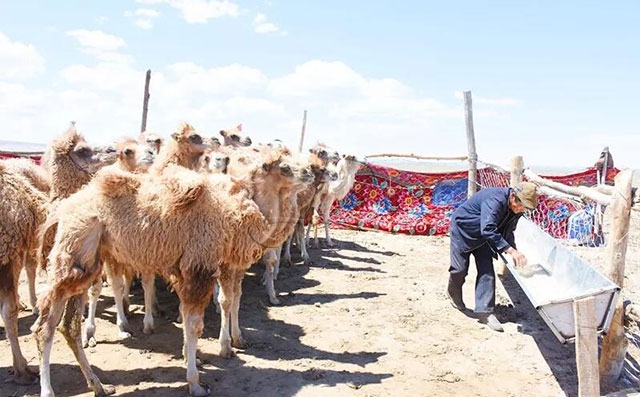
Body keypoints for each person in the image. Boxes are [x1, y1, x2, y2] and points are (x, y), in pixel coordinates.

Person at [446, 181, 540, 332]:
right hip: (464, 231)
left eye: (526, 208)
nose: (522, 210)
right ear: (513, 197)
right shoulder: (495, 200)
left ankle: (485, 312)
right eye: (521, 205)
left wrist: (513, 251)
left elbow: (508, 231)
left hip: (484, 238)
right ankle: (453, 292)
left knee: (486, 271)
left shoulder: (517, 209)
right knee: (459, 270)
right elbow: (488, 228)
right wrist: (510, 250)